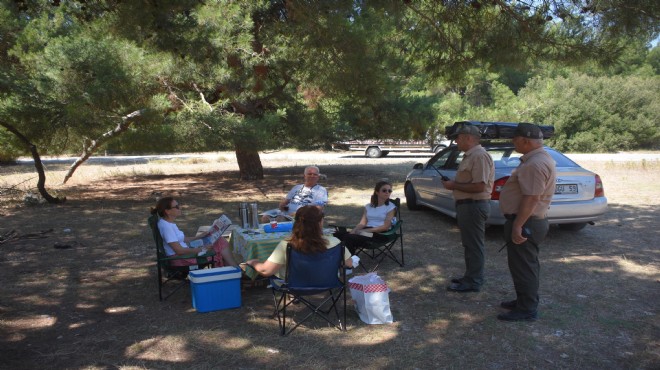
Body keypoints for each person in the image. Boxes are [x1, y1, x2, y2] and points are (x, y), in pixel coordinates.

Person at [497, 123, 556, 321]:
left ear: (525, 141)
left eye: (515, 139)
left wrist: (517, 225)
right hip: (528, 221)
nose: (513, 143)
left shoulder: (535, 163)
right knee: (524, 265)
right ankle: (524, 300)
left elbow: (532, 198)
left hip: (527, 222)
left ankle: (527, 309)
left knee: (524, 267)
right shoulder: (538, 158)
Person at [442, 124, 495, 293]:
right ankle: (470, 276)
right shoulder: (470, 156)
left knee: (474, 245)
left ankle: (474, 281)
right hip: (468, 206)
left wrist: (453, 185)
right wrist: (455, 184)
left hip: (474, 206)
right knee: (469, 244)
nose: (456, 141)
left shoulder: (479, 156)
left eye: (458, 137)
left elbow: (480, 186)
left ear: (468, 138)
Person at [246, 205, 352, 278]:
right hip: (327, 281)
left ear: (296, 223)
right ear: (320, 222)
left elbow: (266, 271)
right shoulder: (335, 242)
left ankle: (293, 295)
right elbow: (349, 264)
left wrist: (253, 262)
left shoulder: (287, 245)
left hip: (295, 285)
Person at [151, 197, 239, 268]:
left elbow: (183, 239)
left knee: (219, 241)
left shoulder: (167, 222)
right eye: (176, 207)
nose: (179, 208)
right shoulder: (167, 227)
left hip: (185, 253)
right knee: (220, 246)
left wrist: (200, 236)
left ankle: (233, 272)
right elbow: (179, 251)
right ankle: (236, 272)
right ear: (167, 211)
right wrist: (202, 249)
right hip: (182, 259)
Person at [334, 181, 397, 254]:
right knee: (337, 235)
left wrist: (365, 231)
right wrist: (354, 231)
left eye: (389, 191)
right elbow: (362, 223)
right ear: (377, 192)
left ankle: (350, 261)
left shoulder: (390, 207)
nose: (387, 192)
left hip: (380, 235)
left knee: (349, 238)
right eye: (384, 190)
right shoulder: (368, 206)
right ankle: (342, 259)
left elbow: (385, 227)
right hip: (366, 232)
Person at [261, 166, 328, 222]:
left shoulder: (321, 190)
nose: (312, 176)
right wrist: (282, 204)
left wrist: (298, 213)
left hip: (304, 216)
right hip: (287, 214)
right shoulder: (297, 187)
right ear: (305, 176)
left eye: (315, 174)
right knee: (265, 218)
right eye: (309, 174)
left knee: (279, 220)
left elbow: (319, 208)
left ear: (318, 177)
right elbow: (286, 201)